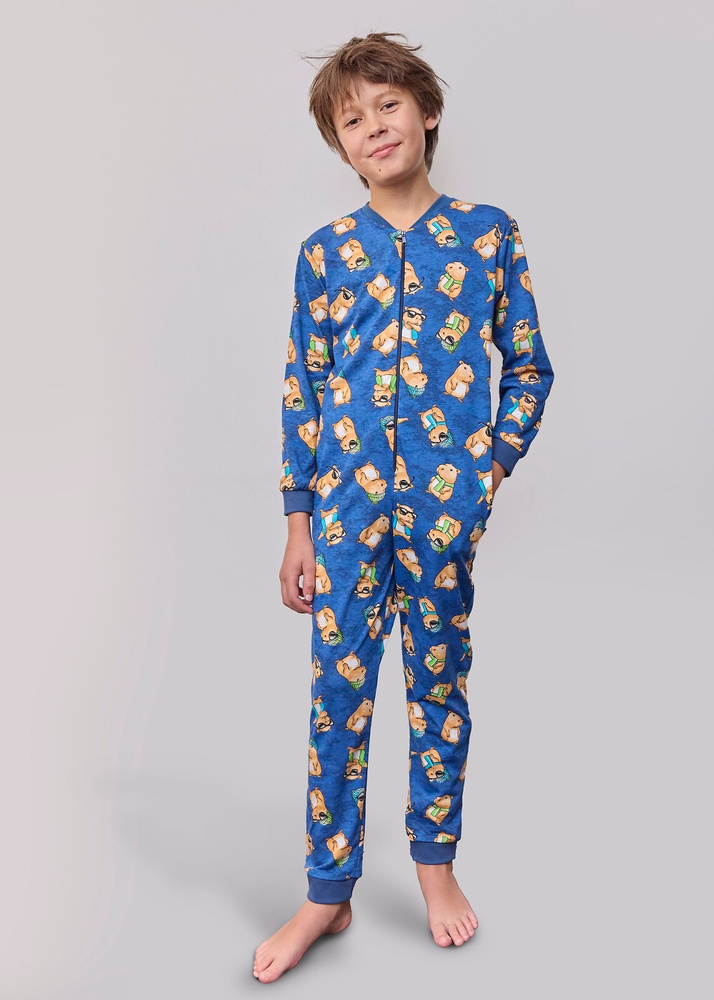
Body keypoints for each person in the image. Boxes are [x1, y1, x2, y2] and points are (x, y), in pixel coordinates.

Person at [254, 30, 555, 984]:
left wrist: (485, 472)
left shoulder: (488, 235)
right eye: (353, 119)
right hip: (343, 519)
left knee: (437, 687)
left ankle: (435, 867)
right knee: (337, 698)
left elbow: (530, 368)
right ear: (340, 147)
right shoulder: (324, 254)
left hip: (441, 518)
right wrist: (298, 524)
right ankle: (327, 888)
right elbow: (304, 389)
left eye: (388, 105)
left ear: (427, 112)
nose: (374, 126)